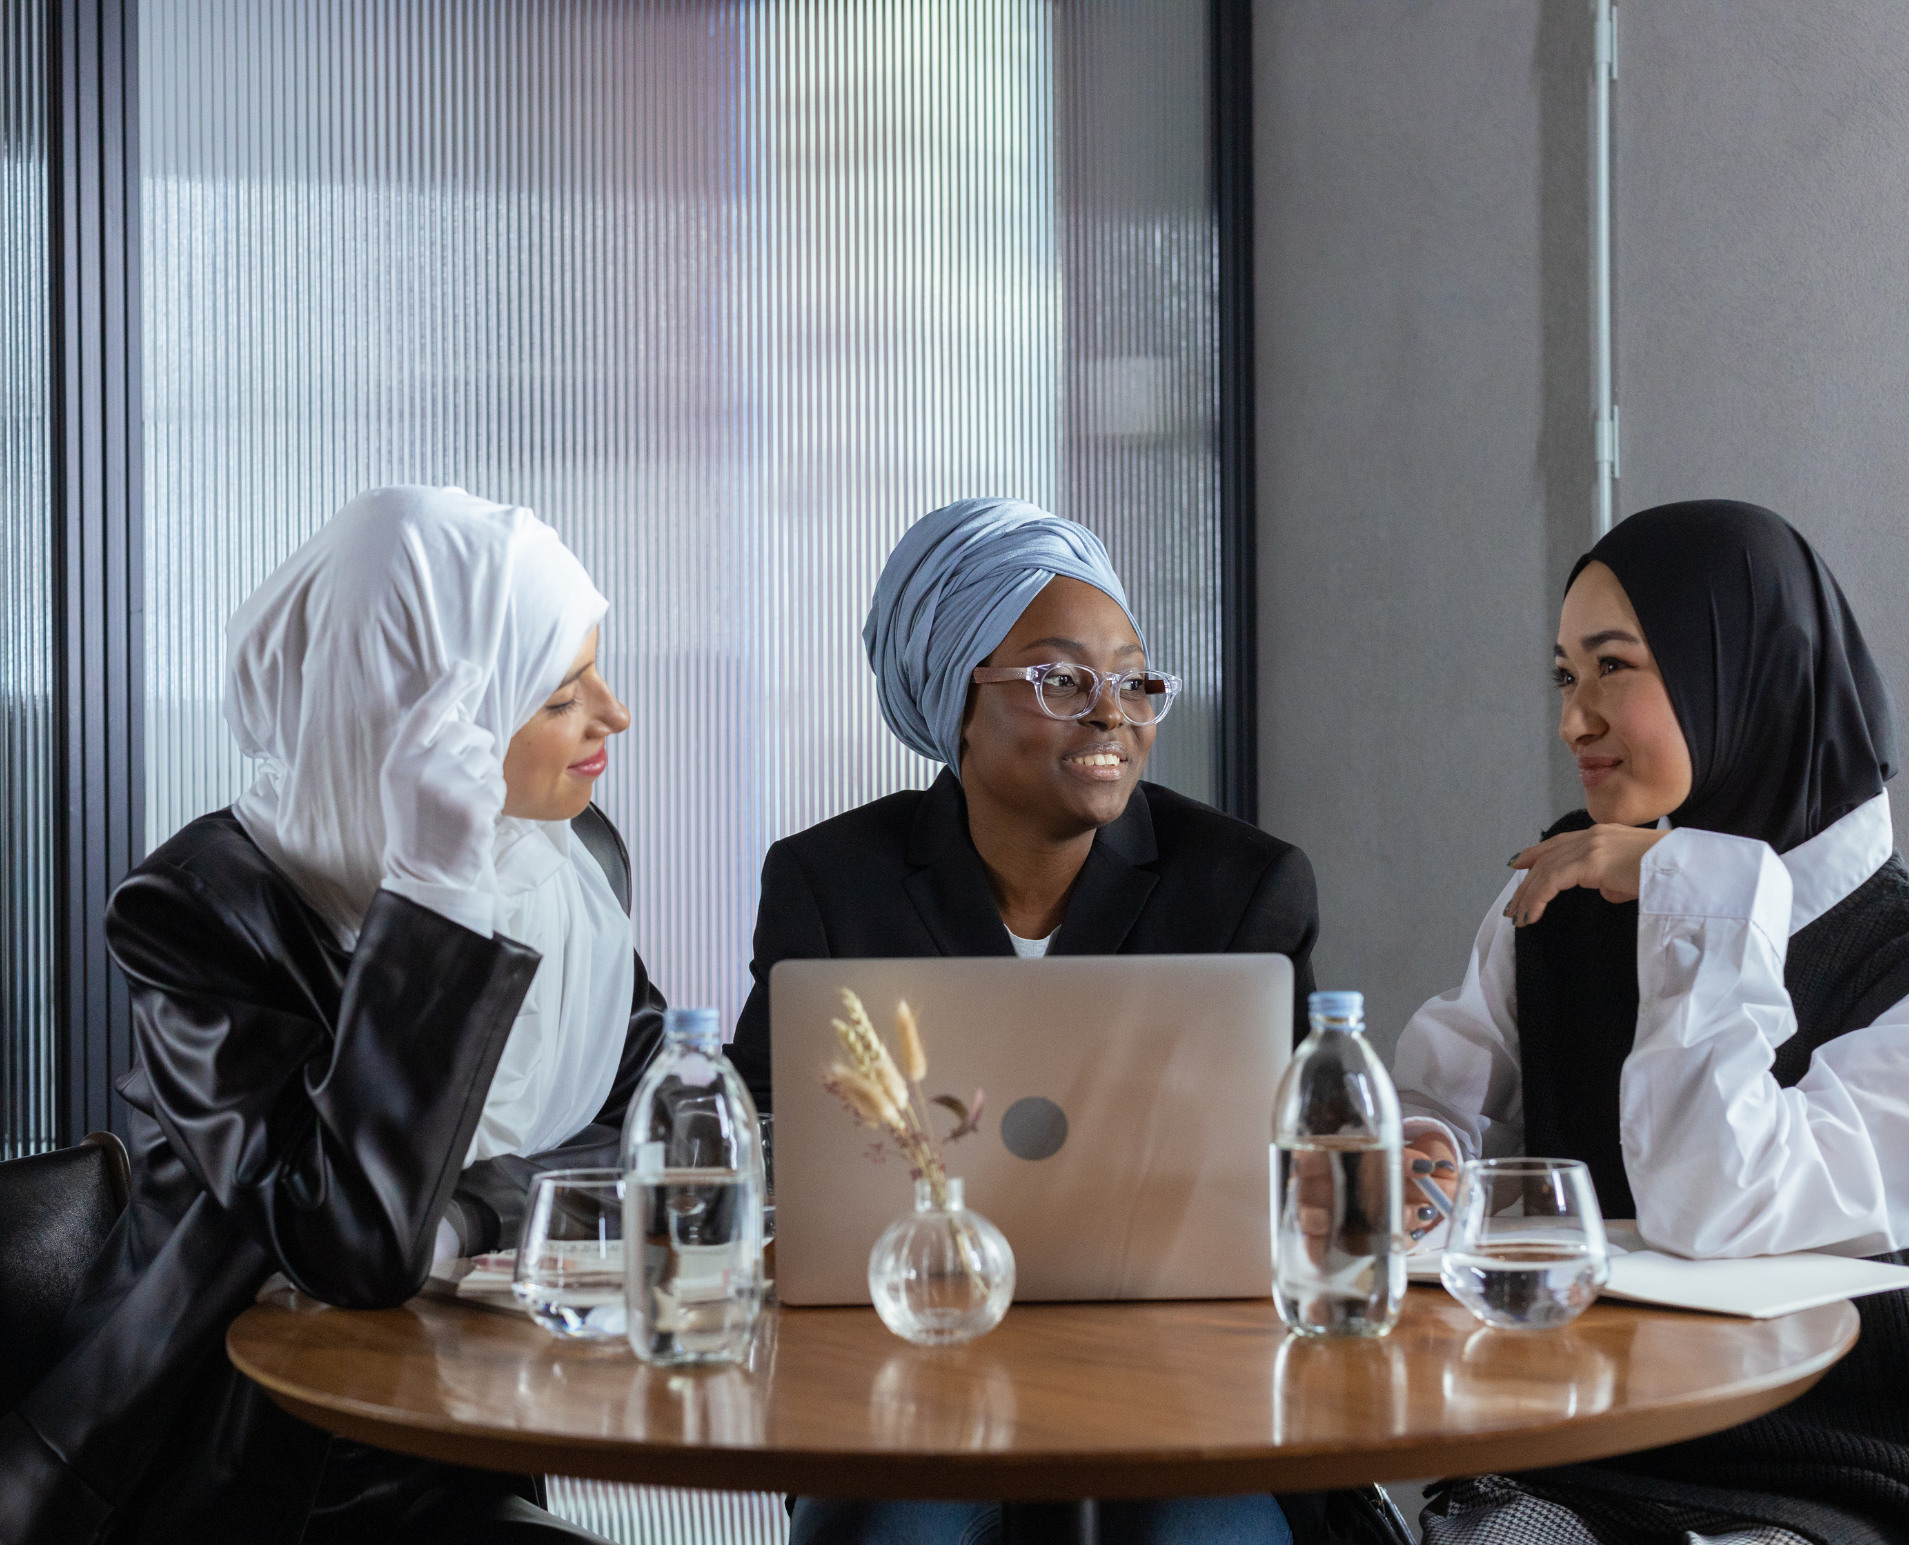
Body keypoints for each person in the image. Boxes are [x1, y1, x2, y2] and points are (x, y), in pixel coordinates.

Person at [0, 486, 661, 1544]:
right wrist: (436, 905)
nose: (613, 715)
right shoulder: (200, 912)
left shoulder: (569, 869)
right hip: (238, 1470)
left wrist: (469, 1216)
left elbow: (646, 1124)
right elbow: (353, 1242)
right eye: (558, 694)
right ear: (423, 722)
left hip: (466, 1428)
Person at [728, 497, 1390, 1545]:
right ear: (955, 700)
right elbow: (763, 1128)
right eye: (1060, 678)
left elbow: (1300, 1142)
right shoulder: (829, 882)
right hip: (906, 1375)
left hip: (1184, 1384)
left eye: (1132, 679)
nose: (1113, 714)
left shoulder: (1242, 885)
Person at [1393, 501, 1909, 1545]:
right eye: (1562, 675)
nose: (1572, 720)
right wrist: (1417, 1156)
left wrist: (1702, 889)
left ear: (1746, 677)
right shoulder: (1554, 895)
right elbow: (1443, 1119)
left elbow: (1717, 1207)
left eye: (1614, 668)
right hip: (1585, 1452)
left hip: (1843, 1475)